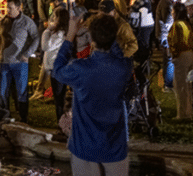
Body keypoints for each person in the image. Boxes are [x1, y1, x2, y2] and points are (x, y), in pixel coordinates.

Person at [52, 12, 134, 176]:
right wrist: (110, 34)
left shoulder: (80, 69)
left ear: (91, 39)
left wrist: (70, 35)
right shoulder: (124, 67)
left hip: (84, 146)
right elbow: (118, 54)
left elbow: (57, 70)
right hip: (114, 146)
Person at [0, 0, 38, 122]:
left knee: (21, 90)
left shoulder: (26, 22)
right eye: (6, 7)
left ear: (18, 8)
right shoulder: (3, 21)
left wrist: (28, 53)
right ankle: (5, 115)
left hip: (20, 62)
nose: (7, 10)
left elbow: (36, 37)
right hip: (4, 61)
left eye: (10, 8)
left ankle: (23, 117)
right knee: (3, 90)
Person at [40, 6, 70, 122]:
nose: (53, 18)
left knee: (59, 97)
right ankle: (63, 120)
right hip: (58, 66)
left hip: (56, 67)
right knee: (60, 96)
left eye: (55, 16)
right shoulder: (61, 32)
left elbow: (45, 46)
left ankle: (61, 122)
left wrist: (47, 30)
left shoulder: (59, 34)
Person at [170, 2, 193, 120]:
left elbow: (176, 42)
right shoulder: (187, 23)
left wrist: (174, 54)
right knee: (188, 85)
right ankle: (189, 111)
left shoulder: (177, 25)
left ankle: (182, 114)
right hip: (190, 54)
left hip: (181, 55)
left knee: (181, 85)